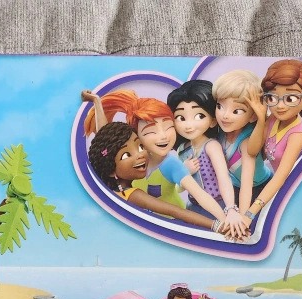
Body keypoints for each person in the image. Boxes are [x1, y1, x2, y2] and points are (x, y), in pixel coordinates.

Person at [82, 89, 243, 238]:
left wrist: (226, 222)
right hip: (150, 228)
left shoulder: (171, 163)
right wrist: (97, 102)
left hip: (175, 224)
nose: (163, 137)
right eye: (150, 132)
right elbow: (106, 142)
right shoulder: (135, 161)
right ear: (136, 134)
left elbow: (199, 196)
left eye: (169, 127)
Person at [86, 122, 230, 235]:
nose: (140, 155)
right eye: (126, 155)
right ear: (111, 170)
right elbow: (175, 211)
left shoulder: (113, 192)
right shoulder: (131, 194)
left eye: (140, 147)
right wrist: (216, 225)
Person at [242, 59, 302, 225]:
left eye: (290, 98)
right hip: (274, 187)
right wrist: (261, 119)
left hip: (294, 191)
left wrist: (251, 212)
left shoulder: (297, 135)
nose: (280, 106)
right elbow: (252, 151)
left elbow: (281, 177)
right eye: (272, 97)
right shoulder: (272, 119)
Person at [167, 80, 246, 238]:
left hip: (218, 206)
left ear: (213, 121)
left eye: (199, 116)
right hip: (193, 207)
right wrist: (185, 172)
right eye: (181, 117)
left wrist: (231, 209)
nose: (188, 125)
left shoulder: (211, 146)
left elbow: (223, 178)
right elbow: (179, 188)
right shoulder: (182, 150)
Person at [212, 70, 271, 219]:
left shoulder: (245, 142)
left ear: (253, 116)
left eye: (237, 111)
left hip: (258, 188)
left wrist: (245, 217)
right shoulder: (220, 130)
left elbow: (247, 183)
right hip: (234, 186)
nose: (225, 115)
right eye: (220, 106)